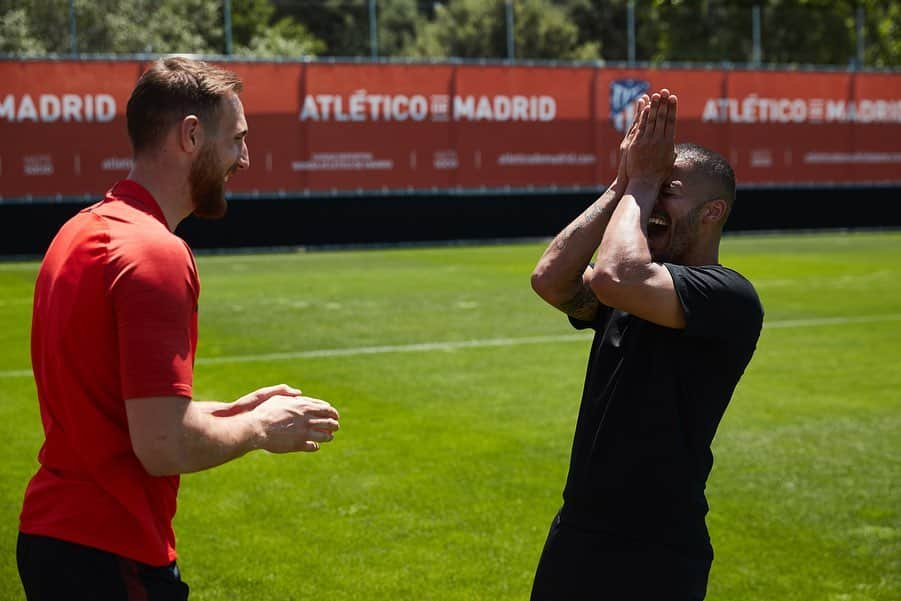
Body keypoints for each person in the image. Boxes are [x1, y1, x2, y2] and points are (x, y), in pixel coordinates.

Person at [17, 57, 340, 600]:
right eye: (236, 139)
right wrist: (261, 431)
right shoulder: (155, 253)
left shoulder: (77, 231)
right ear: (191, 135)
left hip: (55, 539)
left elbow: (116, 409)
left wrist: (234, 412)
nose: (245, 158)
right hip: (111, 553)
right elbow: (163, 445)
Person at [529, 89, 763, 600]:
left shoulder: (729, 296)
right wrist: (622, 185)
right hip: (578, 531)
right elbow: (550, 278)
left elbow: (615, 278)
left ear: (712, 212)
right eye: (654, 187)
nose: (654, 201)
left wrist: (641, 179)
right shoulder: (635, 284)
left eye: (669, 190)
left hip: (656, 547)